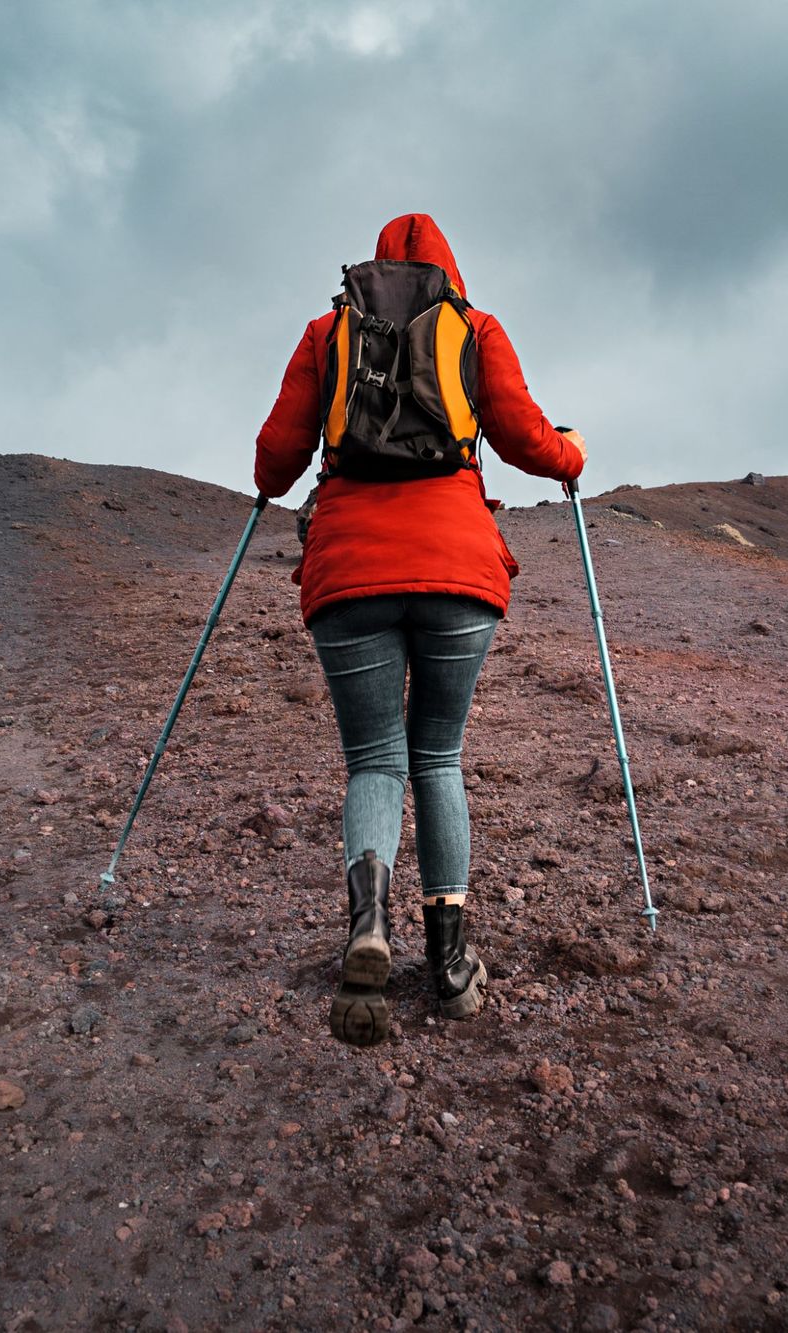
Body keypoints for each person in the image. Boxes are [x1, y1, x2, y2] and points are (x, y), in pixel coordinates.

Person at [253, 213, 587, 1047]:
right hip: (457, 570)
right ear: (449, 271)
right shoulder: (474, 328)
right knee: (436, 754)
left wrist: (288, 471)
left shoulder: (328, 332)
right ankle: (450, 960)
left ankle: (369, 928)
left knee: (374, 757)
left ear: (369, 269)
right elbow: (524, 439)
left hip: (350, 571)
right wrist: (572, 454)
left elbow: (274, 461)